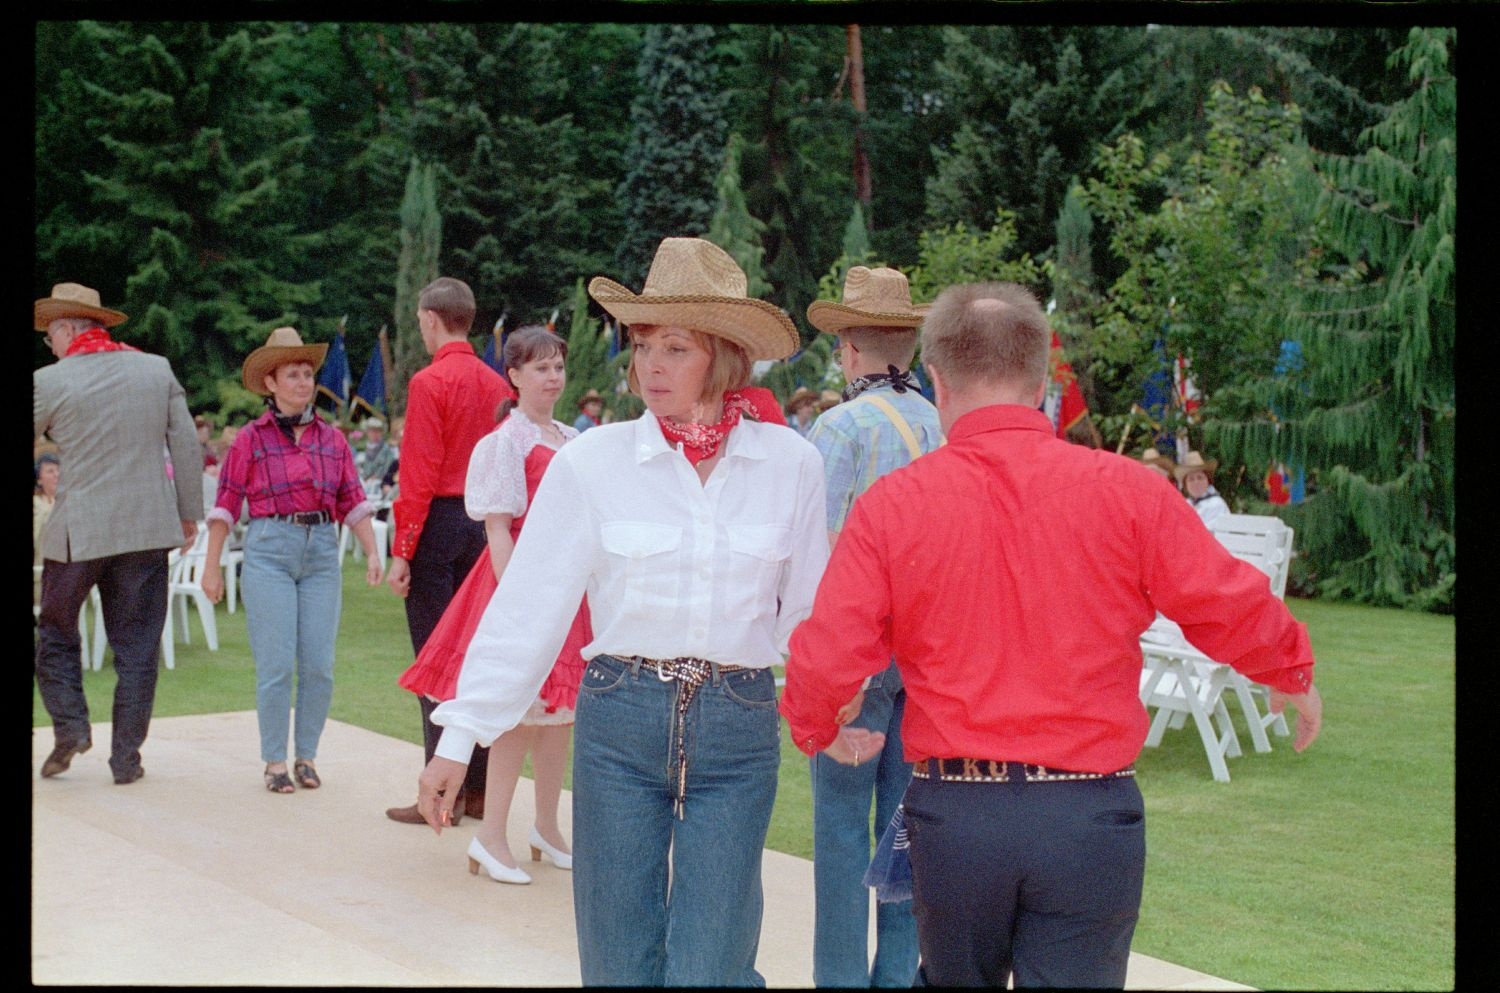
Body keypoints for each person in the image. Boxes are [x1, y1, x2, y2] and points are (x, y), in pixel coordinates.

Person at [780, 281, 1323, 989]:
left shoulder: (896, 504)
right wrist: (1290, 668)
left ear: (937, 382)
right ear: (1041, 383)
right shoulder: (1128, 489)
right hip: (1088, 814)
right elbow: (1221, 596)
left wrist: (818, 724)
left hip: (958, 811)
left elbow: (828, 652)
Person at [417, 237, 828, 986]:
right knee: (617, 964)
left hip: (737, 727)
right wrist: (460, 737)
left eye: (676, 347)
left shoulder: (791, 463)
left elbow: (807, 612)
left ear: (726, 356)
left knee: (711, 967)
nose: (651, 366)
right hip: (619, 721)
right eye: (642, 345)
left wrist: (835, 701)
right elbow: (529, 605)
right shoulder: (592, 461)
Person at [399, 325, 592, 884]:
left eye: (557, 366)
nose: (552, 377)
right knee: (514, 712)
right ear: (513, 375)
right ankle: (490, 836)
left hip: (567, 582)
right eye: (540, 368)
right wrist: (517, 598)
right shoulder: (503, 443)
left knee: (560, 715)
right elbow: (499, 528)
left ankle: (548, 827)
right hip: (520, 579)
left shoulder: (573, 438)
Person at [801, 265, 941, 988]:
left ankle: (840, 980)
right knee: (907, 835)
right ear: (909, 350)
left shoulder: (838, 426)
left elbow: (819, 552)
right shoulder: (943, 423)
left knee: (840, 837)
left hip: (860, 653)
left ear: (850, 350)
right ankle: (895, 977)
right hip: (930, 654)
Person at [33, 281, 203, 785]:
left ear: (66, 329)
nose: (51, 345)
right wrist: (188, 512)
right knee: (137, 648)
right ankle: (126, 759)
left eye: (51, 337)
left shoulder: (50, 380)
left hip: (78, 531)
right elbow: (187, 446)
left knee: (56, 632)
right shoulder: (156, 369)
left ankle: (70, 726)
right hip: (147, 528)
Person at [200, 327, 383, 792]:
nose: (304, 382)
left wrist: (372, 550)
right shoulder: (250, 440)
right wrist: (211, 564)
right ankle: (274, 761)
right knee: (277, 663)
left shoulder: (333, 440)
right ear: (271, 383)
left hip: (321, 550)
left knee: (319, 664)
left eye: (307, 373)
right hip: (269, 551)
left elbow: (353, 499)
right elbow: (225, 503)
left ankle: (307, 756)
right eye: (293, 374)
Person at [384, 277, 515, 824]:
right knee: (477, 656)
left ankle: (442, 792)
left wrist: (402, 550)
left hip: (438, 521)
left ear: (431, 320)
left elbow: (417, 473)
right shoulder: (494, 384)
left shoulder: (429, 381)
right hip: (486, 525)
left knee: (436, 661)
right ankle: (479, 788)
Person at [33, 451, 61, 604]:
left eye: (58, 470)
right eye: (50, 471)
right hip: (42, 574)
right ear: (39, 478)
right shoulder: (36, 505)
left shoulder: (64, 503)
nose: (56, 474)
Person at [1177, 450, 1230, 527]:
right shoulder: (1185, 504)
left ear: (1208, 480)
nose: (1196, 482)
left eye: (1200, 478)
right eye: (1191, 479)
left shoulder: (1216, 504)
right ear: (1186, 485)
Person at [355, 416, 398, 492]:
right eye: (372, 430)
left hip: (379, 487)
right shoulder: (363, 449)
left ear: (381, 432)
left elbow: (388, 471)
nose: (375, 434)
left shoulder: (388, 451)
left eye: (378, 431)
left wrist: (375, 477)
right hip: (364, 486)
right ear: (367, 432)